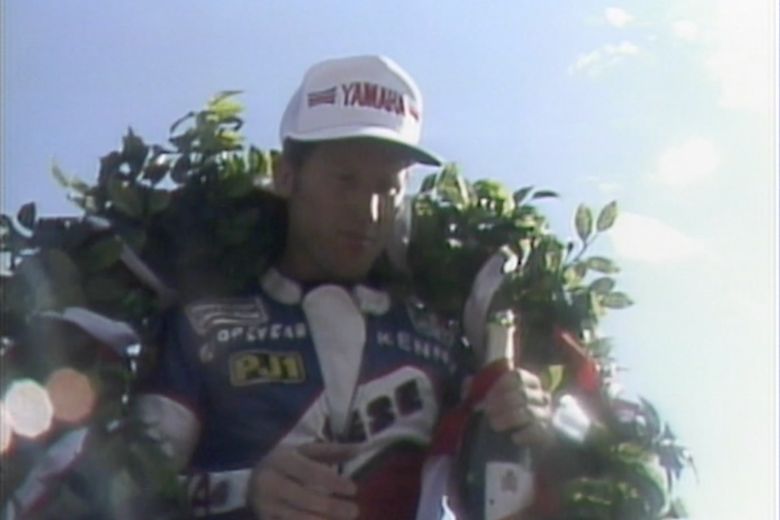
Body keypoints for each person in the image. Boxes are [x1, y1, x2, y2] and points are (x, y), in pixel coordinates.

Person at [136, 55, 551, 519]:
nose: (368, 212)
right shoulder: (201, 326)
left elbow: (493, 494)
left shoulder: (439, 337)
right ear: (286, 176)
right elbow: (128, 489)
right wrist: (243, 491)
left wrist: (528, 421)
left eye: (387, 187)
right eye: (345, 180)